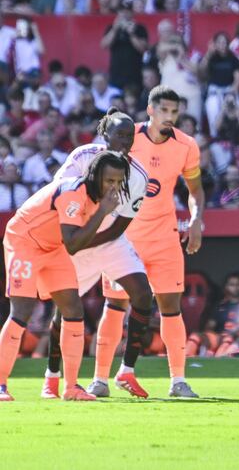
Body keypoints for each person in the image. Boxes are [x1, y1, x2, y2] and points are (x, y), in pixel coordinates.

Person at [40, 109, 152, 400]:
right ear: (105, 134)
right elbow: (57, 196)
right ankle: (51, 378)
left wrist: (82, 243)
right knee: (63, 312)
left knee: (143, 294)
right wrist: (72, 243)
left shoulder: (139, 176)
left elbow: (117, 229)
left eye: (130, 136)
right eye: (119, 135)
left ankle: (126, 371)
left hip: (107, 241)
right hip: (75, 240)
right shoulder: (82, 156)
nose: (125, 141)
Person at [101, 86, 204, 398]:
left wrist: (196, 219)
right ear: (150, 110)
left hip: (164, 237)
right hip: (124, 236)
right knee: (115, 305)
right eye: (164, 110)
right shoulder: (127, 136)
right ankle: (99, 379)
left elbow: (195, 190)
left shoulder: (186, 145)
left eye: (174, 111)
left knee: (171, 307)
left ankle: (178, 381)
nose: (170, 117)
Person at [0, 151, 128, 401]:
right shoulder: (73, 192)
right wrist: (103, 212)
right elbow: (72, 244)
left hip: (53, 247)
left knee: (73, 309)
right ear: (95, 176)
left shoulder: (98, 198)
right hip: (24, 242)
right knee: (21, 311)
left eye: (118, 181)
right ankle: (0, 385)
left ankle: (71, 387)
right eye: (109, 180)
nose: (114, 187)